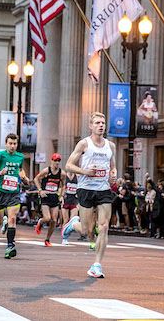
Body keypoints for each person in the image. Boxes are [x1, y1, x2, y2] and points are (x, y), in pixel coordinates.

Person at [61, 112, 117, 278]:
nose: (101, 125)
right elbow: (69, 165)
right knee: (87, 230)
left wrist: (113, 175)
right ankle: (72, 225)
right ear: (91, 126)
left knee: (104, 227)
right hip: (86, 189)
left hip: (104, 189)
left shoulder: (110, 146)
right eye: (97, 123)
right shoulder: (84, 144)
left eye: (103, 122)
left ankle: (97, 265)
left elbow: (112, 166)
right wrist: (85, 171)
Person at [0, 133, 30, 259]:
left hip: (14, 192)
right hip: (0, 191)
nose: (12, 146)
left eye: (14, 144)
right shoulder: (1, 155)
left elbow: (20, 169)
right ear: (6, 144)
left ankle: (10, 246)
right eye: (10, 143)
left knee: (12, 219)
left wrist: (24, 177)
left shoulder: (20, 157)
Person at [34, 153, 65, 247]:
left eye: (58, 161)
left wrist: (61, 195)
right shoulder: (46, 171)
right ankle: (40, 221)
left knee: (54, 220)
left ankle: (47, 239)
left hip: (54, 197)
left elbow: (63, 185)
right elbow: (36, 179)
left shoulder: (62, 173)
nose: (57, 162)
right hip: (46, 196)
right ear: (51, 161)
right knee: (47, 218)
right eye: (55, 160)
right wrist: (40, 190)